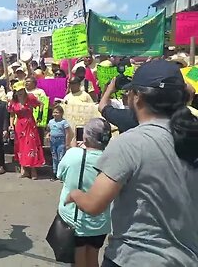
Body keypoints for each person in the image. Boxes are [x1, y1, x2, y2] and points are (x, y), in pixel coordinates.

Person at [65, 60, 198, 267]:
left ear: (138, 97)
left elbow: (93, 205)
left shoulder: (129, 143)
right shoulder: (191, 135)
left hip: (134, 257)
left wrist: (74, 194)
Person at [57, 118, 112, 267]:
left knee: (79, 257)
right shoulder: (113, 158)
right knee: (93, 255)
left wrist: (72, 147)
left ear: (86, 137)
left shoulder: (73, 154)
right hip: (101, 221)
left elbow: (60, 174)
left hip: (76, 220)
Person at [8, 84, 46, 180]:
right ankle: (23, 169)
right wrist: (11, 124)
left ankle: (33, 170)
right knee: (21, 147)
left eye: (21, 90)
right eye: (18, 91)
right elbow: (12, 115)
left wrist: (40, 116)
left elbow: (41, 104)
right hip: (19, 125)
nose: (20, 92)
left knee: (31, 147)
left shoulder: (30, 98)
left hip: (30, 124)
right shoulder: (13, 102)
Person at [45, 105, 73, 180]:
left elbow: (67, 133)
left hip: (61, 141)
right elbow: (48, 130)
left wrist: (67, 143)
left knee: (61, 157)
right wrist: (48, 135)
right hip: (53, 140)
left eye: (57, 112)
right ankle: (55, 173)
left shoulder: (63, 122)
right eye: (54, 112)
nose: (55, 114)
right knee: (54, 157)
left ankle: (61, 174)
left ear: (61, 113)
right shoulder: (51, 122)